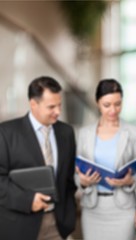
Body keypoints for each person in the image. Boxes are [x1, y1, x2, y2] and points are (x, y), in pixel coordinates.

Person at [0, 76, 77, 239]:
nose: (58, 112)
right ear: (33, 104)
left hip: (58, 225)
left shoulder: (66, 132)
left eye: (59, 105)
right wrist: (28, 200)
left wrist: (68, 215)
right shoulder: (6, 133)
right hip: (19, 226)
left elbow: (68, 180)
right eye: (51, 107)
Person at [76, 79, 136, 240]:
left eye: (118, 104)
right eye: (107, 105)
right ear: (97, 103)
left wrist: (128, 181)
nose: (113, 110)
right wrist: (83, 182)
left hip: (123, 209)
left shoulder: (134, 133)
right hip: (92, 209)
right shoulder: (84, 134)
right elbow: (77, 171)